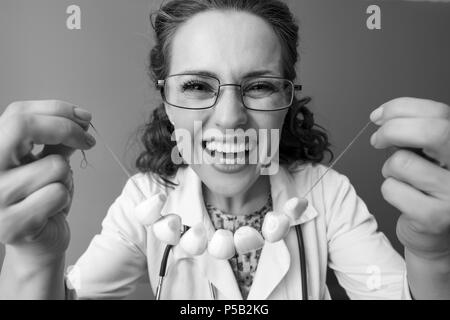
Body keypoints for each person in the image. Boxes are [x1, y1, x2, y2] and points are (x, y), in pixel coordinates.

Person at [0, 0, 448, 300]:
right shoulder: (144, 200)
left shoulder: (326, 193)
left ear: (286, 100)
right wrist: (34, 258)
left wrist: (434, 256)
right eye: (196, 85)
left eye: (259, 86)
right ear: (166, 102)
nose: (230, 117)